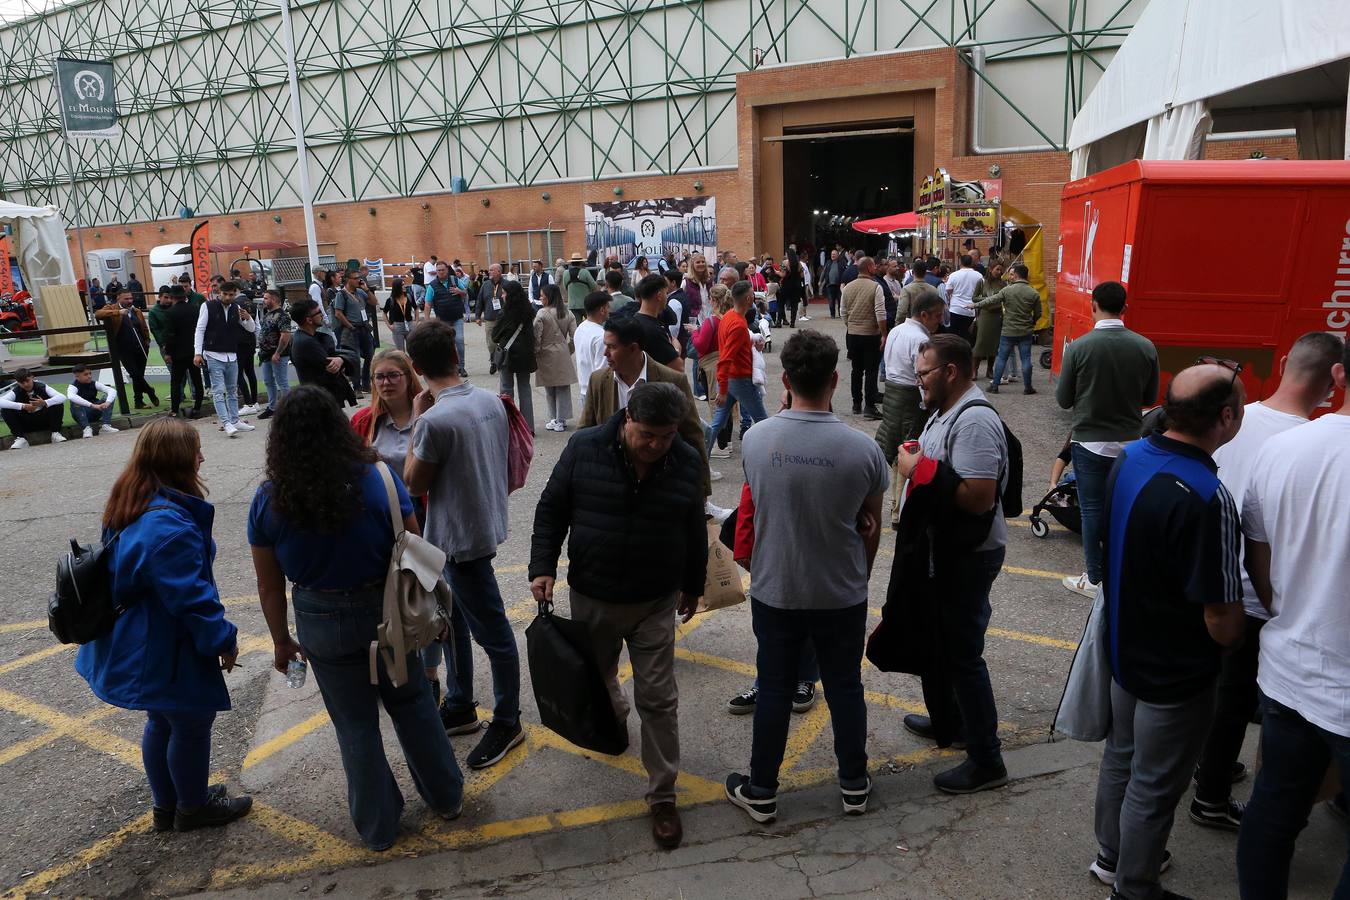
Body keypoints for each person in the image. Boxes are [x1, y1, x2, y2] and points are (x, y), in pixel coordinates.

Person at [249, 386, 464, 850]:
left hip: (319, 616)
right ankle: (447, 796)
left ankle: (379, 826)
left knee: (355, 725)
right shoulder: (378, 478)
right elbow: (413, 546)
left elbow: (269, 586)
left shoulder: (270, 498)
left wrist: (282, 641)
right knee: (413, 707)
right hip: (386, 608)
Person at [1089, 362, 1247, 899]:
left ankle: (1110, 858)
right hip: (1176, 672)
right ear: (1226, 418)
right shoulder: (1209, 496)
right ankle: (1134, 887)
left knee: (1121, 760)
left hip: (1124, 648)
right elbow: (1221, 620)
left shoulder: (1130, 455)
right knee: (1155, 788)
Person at [530, 382, 706, 849]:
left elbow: (693, 527)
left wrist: (693, 583)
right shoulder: (585, 448)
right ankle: (614, 713)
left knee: (659, 698)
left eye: (667, 435)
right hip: (595, 597)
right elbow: (551, 510)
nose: (657, 445)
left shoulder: (685, 460)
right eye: (648, 434)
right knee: (599, 680)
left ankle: (662, 795)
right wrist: (542, 566)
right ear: (627, 419)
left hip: (654, 600)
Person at [725, 330, 886, 824]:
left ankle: (762, 789)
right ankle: (854, 784)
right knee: (844, 687)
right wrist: (860, 574)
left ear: (786, 379)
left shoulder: (756, 439)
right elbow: (871, 528)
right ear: (836, 379)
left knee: (774, 686)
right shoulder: (863, 450)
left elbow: (766, 503)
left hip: (777, 588)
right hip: (840, 591)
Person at [1188, 334, 1343, 833]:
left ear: (1282, 365)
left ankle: (1207, 767)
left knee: (1213, 695)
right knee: (1236, 703)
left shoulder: (1234, 417)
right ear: (1331, 384)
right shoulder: (1313, 443)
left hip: (1207, 584)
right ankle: (1210, 797)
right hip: (1259, 600)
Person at [75, 418, 251, 831]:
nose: (202, 457)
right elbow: (192, 600)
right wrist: (224, 640)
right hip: (164, 645)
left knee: (161, 721)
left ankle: (166, 805)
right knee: (192, 722)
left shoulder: (132, 498)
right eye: (195, 450)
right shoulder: (168, 526)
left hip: (139, 639)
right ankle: (192, 808)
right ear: (175, 460)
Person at [1235, 340, 1350, 899]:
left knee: (1274, 811)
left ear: (1339, 374)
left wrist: (1289, 613)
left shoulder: (1283, 448)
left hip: (1288, 669)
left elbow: (1259, 557)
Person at [402, 320, 524, 770]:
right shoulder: (490, 400)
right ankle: (459, 703)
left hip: (457, 540)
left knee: (493, 635)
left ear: (416, 367)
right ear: (455, 354)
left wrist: (416, 420)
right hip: (483, 523)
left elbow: (412, 481)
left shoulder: (433, 420)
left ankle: (507, 719)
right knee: (453, 623)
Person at [894, 335, 1010, 794]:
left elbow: (979, 498)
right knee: (944, 642)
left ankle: (986, 759)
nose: (917, 381)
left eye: (923, 373)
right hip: (945, 549)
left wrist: (915, 470)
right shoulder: (945, 410)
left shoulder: (976, 422)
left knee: (963, 654)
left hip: (968, 555)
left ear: (951, 372)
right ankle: (953, 721)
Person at [1055, 281, 1160, 598]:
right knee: (1125, 507)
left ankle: (1095, 577)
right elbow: (1150, 397)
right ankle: (1125, 572)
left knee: (1091, 510)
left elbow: (1063, 399)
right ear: (1125, 308)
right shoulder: (1145, 347)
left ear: (1093, 305)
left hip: (1090, 440)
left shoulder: (1080, 347)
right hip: (1130, 442)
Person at [580, 313, 712, 495]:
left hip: (660, 483)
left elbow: (693, 436)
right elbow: (585, 430)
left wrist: (702, 490)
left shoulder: (672, 380)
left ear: (633, 348)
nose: (605, 353)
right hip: (610, 483)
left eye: (612, 347)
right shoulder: (598, 380)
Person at [876, 292, 945, 463]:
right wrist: (933, 407)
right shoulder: (920, 339)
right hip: (910, 402)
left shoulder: (896, 330)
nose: (940, 320)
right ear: (924, 315)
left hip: (892, 397)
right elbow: (923, 379)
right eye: (937, 316)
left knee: (897, 450)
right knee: (909, 454)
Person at [706, 281, 770, 455]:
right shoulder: (739, 325)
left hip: (731, 380)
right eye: (753, 296)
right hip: (739, 380)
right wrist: (723, 389)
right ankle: (772, 458)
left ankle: (702, 459)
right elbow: (725, 359)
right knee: (763, 421)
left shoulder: (728, 317)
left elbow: (730, 349)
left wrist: (753, 342)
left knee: (717, 423)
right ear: (749, 298)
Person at [194, 280, 257, 438]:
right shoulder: (207, 306)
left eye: (232, 295)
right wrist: (197, 352)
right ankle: (226, 422)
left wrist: (248, 318)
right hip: (214, 354)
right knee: (218, 390)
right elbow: (200, 329)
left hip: (232, 354)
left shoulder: (237, 308)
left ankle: (235, 420)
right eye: (226, 294)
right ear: (219, 293)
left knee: (232, 390)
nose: (229, 297)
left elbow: (251, 328)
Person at [974, 264, 1041, 395]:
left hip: (1008, 331)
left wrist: (975, 305)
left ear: (1016, 275)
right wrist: (1032, 322)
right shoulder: (1033, 293)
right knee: (1026, 359)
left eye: (1011, 274)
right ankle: (1028, 387)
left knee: (1002, 358)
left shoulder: (1007, 290)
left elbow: (991, 300)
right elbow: (1038, 313)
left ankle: (995, 386)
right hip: (1025, 331)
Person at [96, 289, 159, 409]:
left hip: (140, 347)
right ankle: (150, 390)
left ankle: (138, 402)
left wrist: (146, 342)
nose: (130, 301)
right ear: (118, 298)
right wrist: (118, 312)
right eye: (126, 299)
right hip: (123, 349)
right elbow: (98, 314)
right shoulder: (111, 308)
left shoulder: (137, 311)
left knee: (139, 374)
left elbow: (144, 328)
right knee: (135, 374)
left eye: (131, 298)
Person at [841, 257, 887, 420]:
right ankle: (869, 406)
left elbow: (843, 312)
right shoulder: (876, 287)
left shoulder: (847, 288)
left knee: (856, 370)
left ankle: (856, 404)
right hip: (870, 334)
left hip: (853, 334)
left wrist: (851, 325)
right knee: (871, 371)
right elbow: (880, 313)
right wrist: (884, 333)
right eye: (874, 265)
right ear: (869, 267)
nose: (876, 267)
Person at [288, 298, 356, 408]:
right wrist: (341, 359)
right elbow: (331, 365)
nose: (322, 315)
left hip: (321, 397)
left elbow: (338, 358)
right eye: (319, 312)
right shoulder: (306, 342)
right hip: (319, 400)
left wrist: (341, 359)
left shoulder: (310, 337)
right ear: (309, 320)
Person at [492, 280, 537, 433]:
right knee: (525, 389)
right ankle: (528, 426)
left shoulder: (505, 313)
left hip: (508, 355)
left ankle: (508, 425)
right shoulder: (529, 311)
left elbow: (495, 336)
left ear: (510, 295)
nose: (502, 296)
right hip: (525, 355)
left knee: (506, 389)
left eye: (504, 293)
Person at [534, 284, 577, 433]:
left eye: (542, 295)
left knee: (549, 387)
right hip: (562, 351)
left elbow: (536, 336)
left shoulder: (541, 314)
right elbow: (574, 336)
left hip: (546, 352)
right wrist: (568, 349)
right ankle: (562, 419)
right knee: (563, 386)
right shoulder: (568, 313)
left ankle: (553, 418)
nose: (540, 298)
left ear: (548, 297)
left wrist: (536, 351)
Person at [166, 285, 206, 419]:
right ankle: (197, 407)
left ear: (172, 298)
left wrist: (168, 352)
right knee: (197, 379)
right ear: (185, 297)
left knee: (176, 382)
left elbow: (170, 335)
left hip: (178, 353)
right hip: (195, 350)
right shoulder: (196, 310)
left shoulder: (171, 312)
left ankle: (175, 410)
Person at [1, 368, 67, 448]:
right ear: (18, 382)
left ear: (32, 377)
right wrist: (23, 406)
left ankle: (55, 433)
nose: (25, 384)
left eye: (27, 381)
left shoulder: (43, 386)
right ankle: (20, 438)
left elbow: (62, 397)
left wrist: (45, 402)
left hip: (45, 421)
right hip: (26, 424)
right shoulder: (16, 391)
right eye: (22, 382)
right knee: (5, 409)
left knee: (57, 404)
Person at [426, 260, 470, 377]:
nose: (440, 272)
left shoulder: (455, 280)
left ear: (447, 270)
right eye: (438, 270)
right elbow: (428, 304)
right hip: (442, 321)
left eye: (442, 270)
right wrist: (427, 320)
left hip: (457, 318)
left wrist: (459, 291)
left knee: (459, 340)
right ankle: (450, 368)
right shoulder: (432, 285)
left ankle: (461, 367)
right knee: (446, 344)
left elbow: (465, 293)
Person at [334, 270, 374, 396]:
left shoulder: (360, 292)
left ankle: (366, 384)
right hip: (352, 330)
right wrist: (350, 326)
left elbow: (374, 302)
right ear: (348, 280)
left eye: (359, 278)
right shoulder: (342, 294)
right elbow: (338, 313)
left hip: (364, 328)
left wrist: (366, 289)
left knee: (369, 355)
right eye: (356, 278)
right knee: (355, 359)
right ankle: (357, 387)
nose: (359, 280)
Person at [255, 287, 292, 419]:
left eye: (266, 298)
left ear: (274, 299)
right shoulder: (267, 314)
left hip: (278, 354)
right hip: (266, 355)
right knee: (268, 381)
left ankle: (291, 407)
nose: (264, 301)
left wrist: (277, 353)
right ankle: (272, 407)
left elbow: (285, 335)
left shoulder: (282, 315)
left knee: (282, 381)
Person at [632, 273, 682, 370]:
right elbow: (678, 366)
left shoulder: (633, 320)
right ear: (659, 296)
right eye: (666, 293)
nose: (666, 298)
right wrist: (676, 348)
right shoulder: (654, 330)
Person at [574, 290, 610, 408]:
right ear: (602, 310)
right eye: (608, 307)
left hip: (584, 390)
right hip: (597, 394)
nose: (609, 310)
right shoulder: (601, 336)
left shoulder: (580, 328)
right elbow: (602, 371)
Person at [65, 364, 121, 438]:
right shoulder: (72, 387)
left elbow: (112, 390)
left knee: (108, 397)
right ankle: (86, 429)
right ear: (77, 376)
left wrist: (108, 402)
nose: (89, 376)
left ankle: (106, 426)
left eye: (90, 373)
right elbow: (71, 397)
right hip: (81, 414)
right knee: (75, 402)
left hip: (96, 411)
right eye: (85, 374)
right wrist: (93, 405)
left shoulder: (94, 383)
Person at [970, 262, 1005, 380]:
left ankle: (990, 370)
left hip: (997, 316)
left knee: (994, 345)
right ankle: (974, 370)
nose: (999, 272)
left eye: (1001, 270)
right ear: (990, 269)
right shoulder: (982, 282)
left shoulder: (1003, 284)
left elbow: (1005, 298)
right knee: (981, 343)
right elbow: (974, 298)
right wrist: (988, 299)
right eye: (997, 269)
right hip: (985, 315)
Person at [942, 255, 984, 341]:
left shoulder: (954, 275)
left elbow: (948, 290)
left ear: (960, 263)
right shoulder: (979, 276)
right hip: (971, 310)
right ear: (972, 263)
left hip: (955, 308)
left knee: (953, 335)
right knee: (966, 334)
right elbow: (982, 291)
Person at [561, 252, 599, 323]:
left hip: (572, 304)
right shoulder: (585, 272)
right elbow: (594, 286)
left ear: (571, 263)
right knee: (591, 323)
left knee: (577, 325)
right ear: (581, 263)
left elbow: (565, 287)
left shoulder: (566, 273)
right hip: (586, 303)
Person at [383, 277, 418, 351]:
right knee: (400, 351)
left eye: (404, 284)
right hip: (397, 326)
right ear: (397, 287)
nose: (404, 286)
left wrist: (416, 321)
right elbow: (384, 313)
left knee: (413, 349)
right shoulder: (390, 300)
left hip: (410, 325)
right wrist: (389, 325)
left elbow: (416, 308)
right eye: (402, 285)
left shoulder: (409, 296)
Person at [777, 249, 805, 328]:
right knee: (794, 305)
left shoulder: (785, 263)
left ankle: (779, 321)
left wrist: (776, 272)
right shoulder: (799, 264)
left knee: (781, 303)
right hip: (796, 286)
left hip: (786, 285)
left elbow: (783, 274)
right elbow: (802, 276)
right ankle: (792, 323)